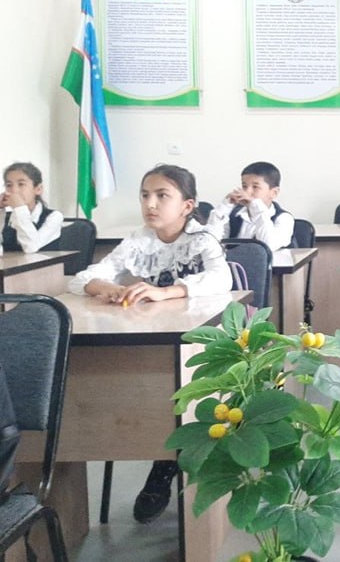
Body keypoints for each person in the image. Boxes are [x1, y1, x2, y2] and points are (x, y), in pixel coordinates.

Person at [69, 164, 233, 523]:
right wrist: (106, 287)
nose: (151, 204)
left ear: (187, 206)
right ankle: (162, 452)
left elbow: (222, 279)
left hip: (201, 339)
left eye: (162, 196)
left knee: (178, 389)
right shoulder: (138, 240)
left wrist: (167, 292)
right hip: (155, 335)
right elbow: (85, 277)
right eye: (145, 195)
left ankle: (165, 463)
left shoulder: (202, 239)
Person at [207, 161, 294, 251]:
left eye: (255, 187)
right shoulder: (234, 215)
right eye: (244, 186)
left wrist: (256, 206)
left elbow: (268, 246)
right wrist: (225, 206)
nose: (247, 192)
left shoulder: (284, 218)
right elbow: (211, 241)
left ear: (274, 193)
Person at [1, 162, 64, 254]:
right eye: (9, 185)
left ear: (38, 189)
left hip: (44, 263)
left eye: (21, 184)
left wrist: (20, 208)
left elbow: (31, 247)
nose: (14, 190)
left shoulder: (54, 217)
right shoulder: (7, 217)